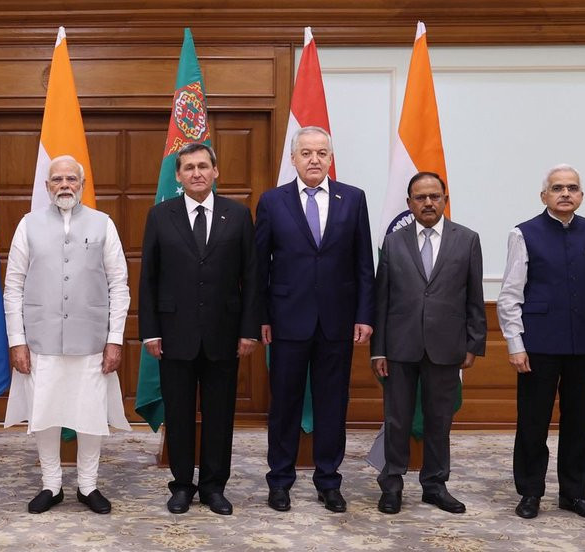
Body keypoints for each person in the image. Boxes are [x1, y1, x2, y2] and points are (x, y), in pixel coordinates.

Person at [3, 156, 132, 515]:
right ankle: (51, 484)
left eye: (71, 179)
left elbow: (119, 284)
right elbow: (13, 286)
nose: (64, 185)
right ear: (47, 186)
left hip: (91, 341)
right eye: (57, 179)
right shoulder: (28, 224)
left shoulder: (103, 224)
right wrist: (17, 340)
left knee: (90, 413)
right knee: (45, 412)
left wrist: (115, 338)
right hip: (40, 340)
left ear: (82, 184)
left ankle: (88, 485)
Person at [255, 126, 374, 513]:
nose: (314, 160)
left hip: (337, 321)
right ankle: (280, 481)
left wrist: (364, 315)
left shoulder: (352, 199)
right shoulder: (272, 202)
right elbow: (259, 267)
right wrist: (262, 316)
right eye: (306, 153)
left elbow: (363, 263)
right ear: (293, 159)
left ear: (330, 158)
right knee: (285, 405)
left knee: (333, 404)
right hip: (287, 320)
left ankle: (328, 481)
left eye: (322, 153)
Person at [138, 142, 260, 516]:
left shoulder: (237, 215)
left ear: (215, 171)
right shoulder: (161, 215)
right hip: (174, 334)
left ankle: (213, 487)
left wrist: (249, 330)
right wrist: (150, 331)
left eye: (203, 166)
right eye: (189, 167)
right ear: (178, 175)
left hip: (224, 334)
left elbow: (252, 276)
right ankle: (181, 486)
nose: (196, 173)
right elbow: (149, 278)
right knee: (178, 415)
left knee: (219, 415)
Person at [497, 164, 585, 521]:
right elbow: (510, 295)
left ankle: (574, 493)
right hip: (539, 343)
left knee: (578, 420)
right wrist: (515, 344)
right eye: (557, 188)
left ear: (581, 195)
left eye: (572, 188)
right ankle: (530, 491)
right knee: (533, 420)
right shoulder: (523, 233)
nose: (565, 193)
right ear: (544, 195)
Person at [370, 172, 485, 515]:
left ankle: (435, 485)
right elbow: (381, 301)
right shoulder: (393, 242)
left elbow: (474, 296)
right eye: (420, 198)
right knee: (397, 420)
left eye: (435, 196)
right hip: (399, 347)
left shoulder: (467, 240)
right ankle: (392, 484)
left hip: (446, 346)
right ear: (409, 204)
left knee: (439, 420)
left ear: (445, 200)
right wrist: (378, 349)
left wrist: (474, 343)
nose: (428, 203)